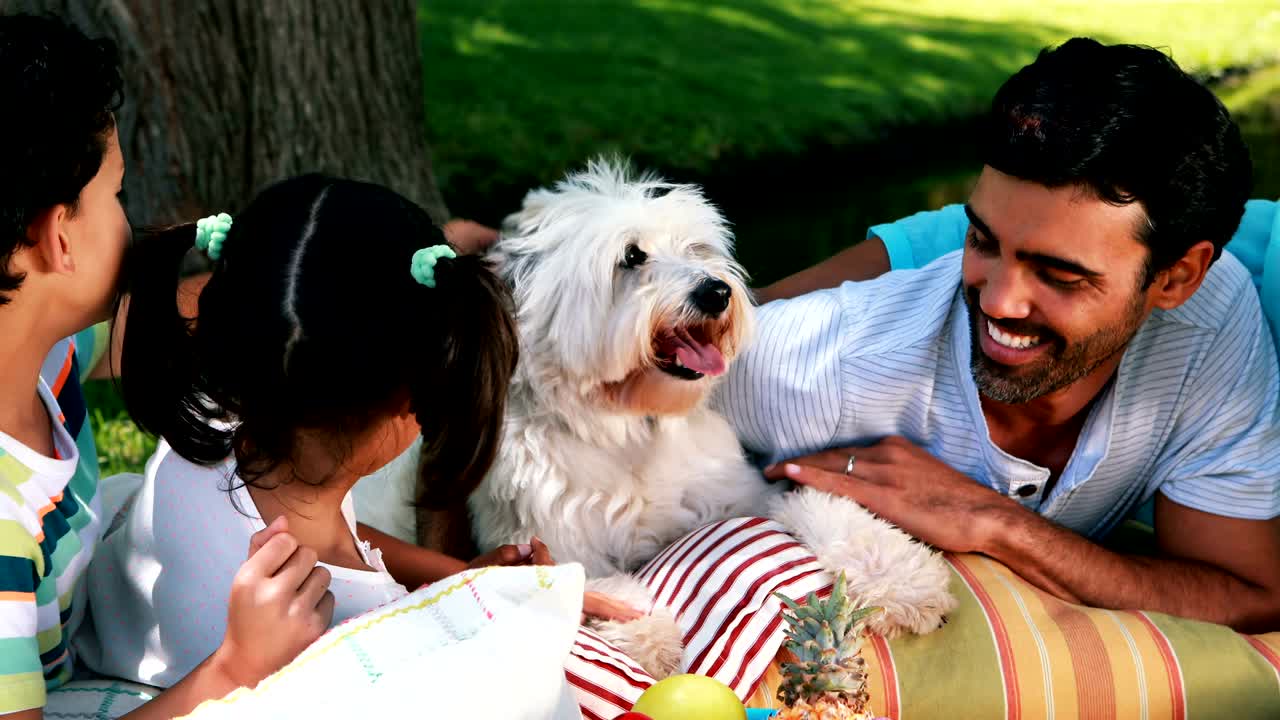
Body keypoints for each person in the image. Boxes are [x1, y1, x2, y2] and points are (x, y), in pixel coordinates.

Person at [715, 38, 1280, 632]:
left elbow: (1244, 591)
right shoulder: (813, 367)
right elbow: (620, 409)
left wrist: (997, 522)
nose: (999, 300)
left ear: (1178, 278)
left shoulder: (1212, 320)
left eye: (1059, 275)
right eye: (981, 240)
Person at [77, 174, 642, 689]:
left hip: (112, 631)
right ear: (407, 400)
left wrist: (457, 575)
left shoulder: (217, 415)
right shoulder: (343, 619)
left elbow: (339, 530)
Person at [0, 14, 334, 719]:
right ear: (58, 234)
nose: (129, 219)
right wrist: (232, 669)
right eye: (117, 195)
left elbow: (157, 324)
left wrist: (290, 281)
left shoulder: (40, 356)